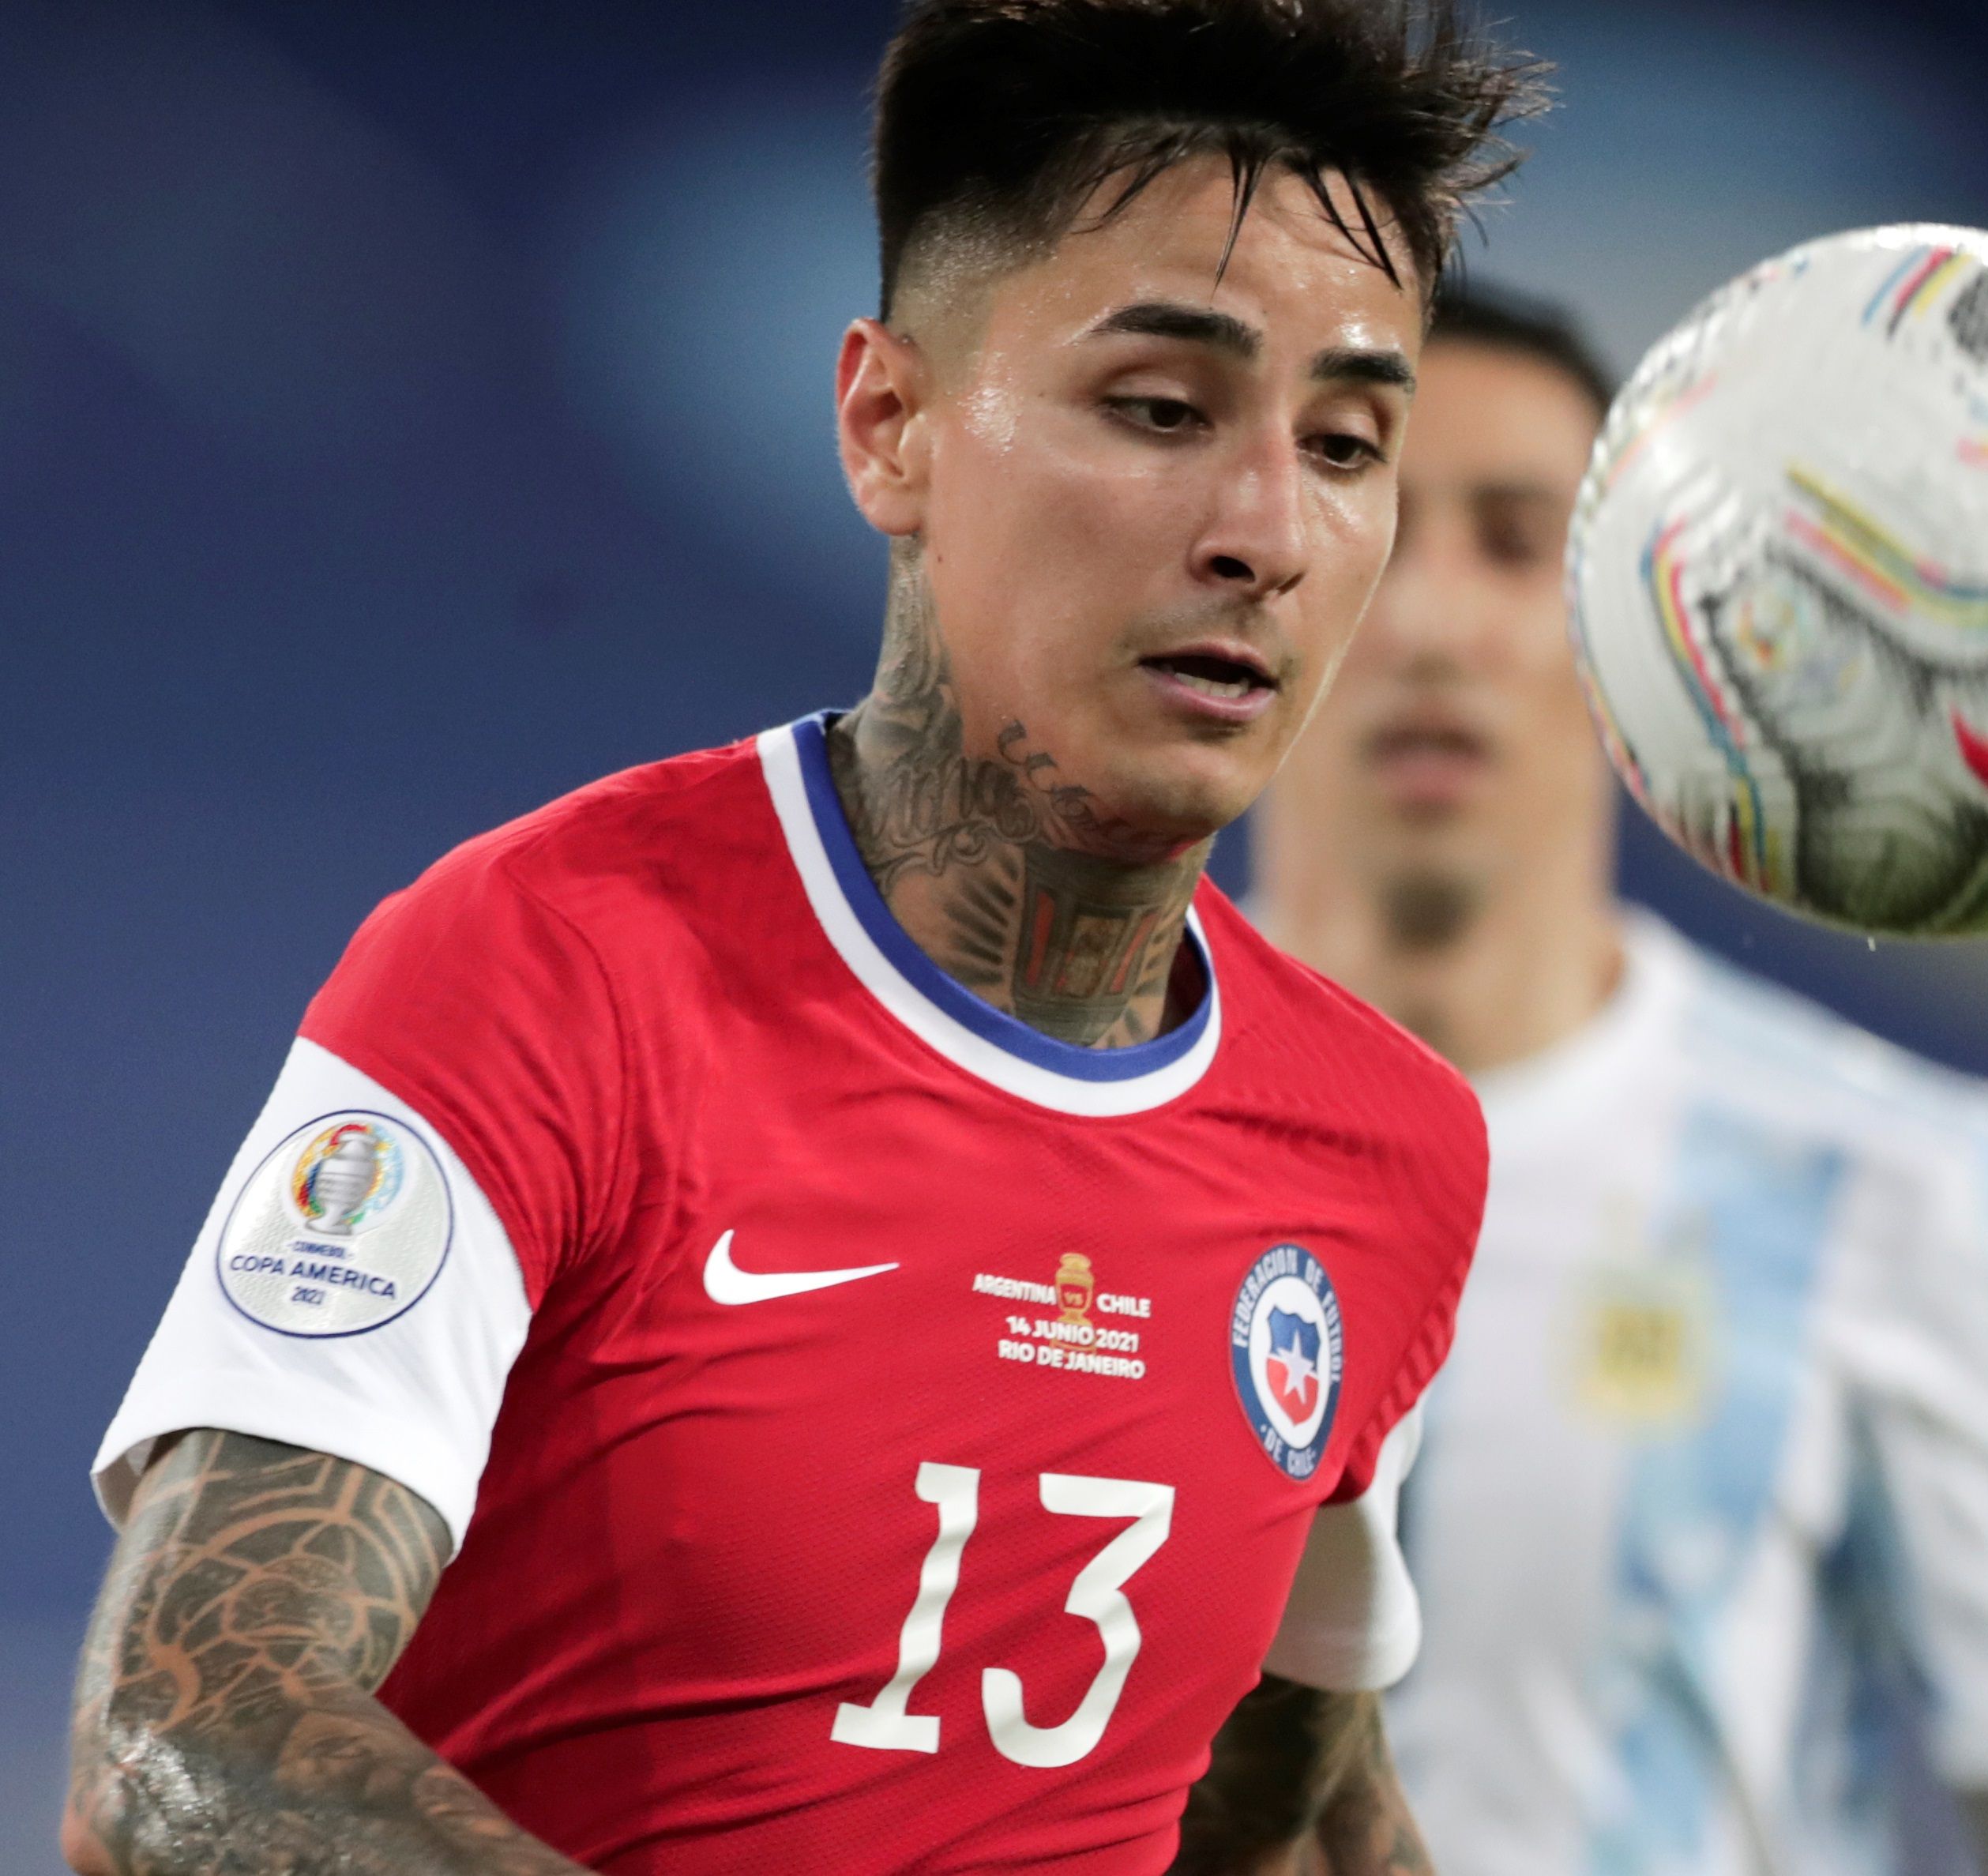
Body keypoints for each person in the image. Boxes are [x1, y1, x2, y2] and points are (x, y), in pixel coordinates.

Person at [63, 5, 1541, 1872]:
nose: (1265, 529)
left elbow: (1299, 1800)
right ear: (890, 426)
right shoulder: (548, 969)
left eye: (1342, 442)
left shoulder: (1386, 1150)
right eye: (1160, 410)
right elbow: (187, 1734)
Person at [1254, 285, 1988, 1876]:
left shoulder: (1888, 1175)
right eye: (1366, 513)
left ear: (1646, 616)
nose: (1427, 618)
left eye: (1515, 539)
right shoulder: (1049, 1110)